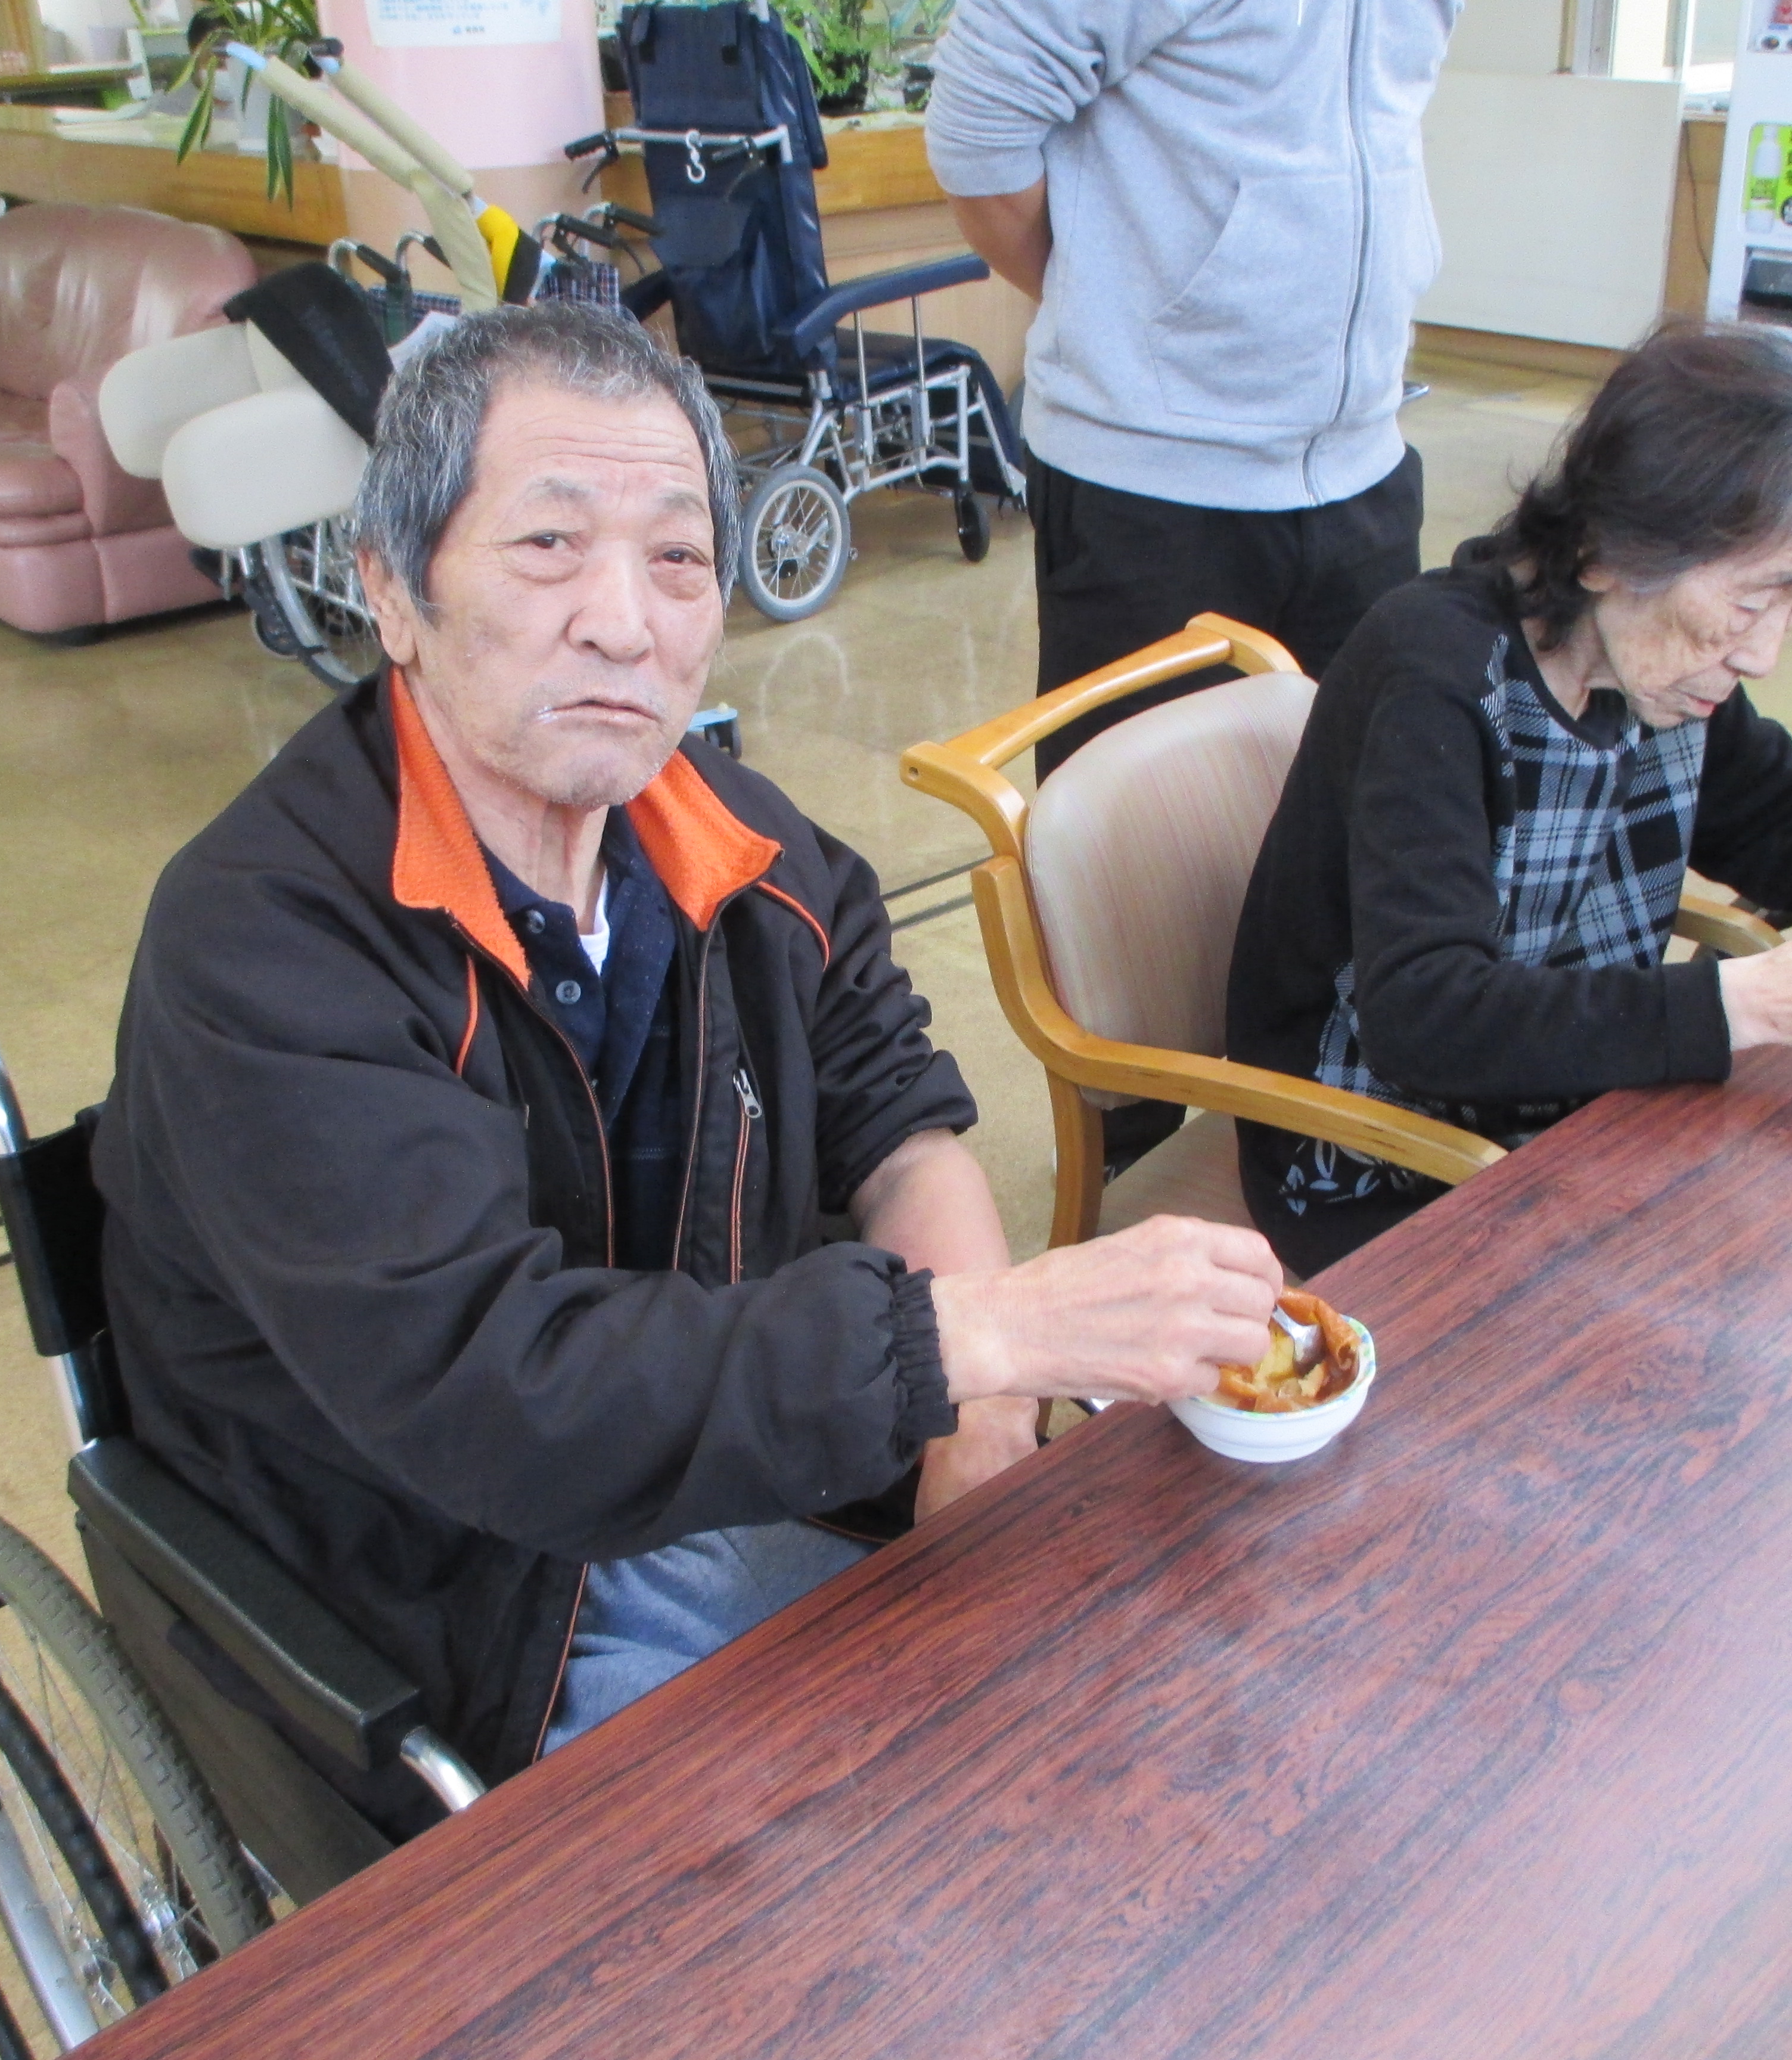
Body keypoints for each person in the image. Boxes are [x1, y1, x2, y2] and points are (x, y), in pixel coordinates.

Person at [92, 304, 1284, 1814]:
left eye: (675, 556)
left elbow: (899, 1128)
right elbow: (495, 1389)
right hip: (444, 1572)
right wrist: (973, 1339)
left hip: (720, 1449)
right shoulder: (267, 942)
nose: (623, 620)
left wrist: (979, 1426)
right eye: (548, 545)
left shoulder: (741, 842)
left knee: (1124, 1683)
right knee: (912, 1829)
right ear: (391, 588)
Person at [1223, 325, 1792, 1278]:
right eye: (1750, 603)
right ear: (1606, 552)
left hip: (1573, 1106)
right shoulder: (1438, 672)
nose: (1763, 653)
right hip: (1377, 1156)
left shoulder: (1658, 662)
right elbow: (1425, 1015)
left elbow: (1776, 815)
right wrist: (1749, 1003)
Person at [928, 0, 1456, 1171]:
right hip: (1148, 475)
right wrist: (1117, 299)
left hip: (1362, 459)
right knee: (1132, 874)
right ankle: (1133, 1165)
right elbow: (976, 132)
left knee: (1362, 830)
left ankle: (1317, 1127)